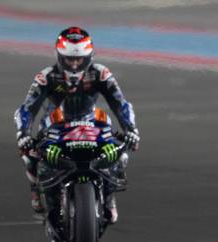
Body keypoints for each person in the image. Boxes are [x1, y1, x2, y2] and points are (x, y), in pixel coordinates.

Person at [14, 27, 140, 223]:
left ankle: (108, 196)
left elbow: (120, 103)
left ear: (89, 56)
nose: (74, 65)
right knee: (30, 157)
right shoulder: (46, 76)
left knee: (120, 152)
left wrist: (131, 129)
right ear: (59, 56)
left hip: (92, 123)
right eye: (69, 59)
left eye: (79, 59)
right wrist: (23, 133)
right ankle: (36, 191)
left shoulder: (101, 73)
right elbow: (27, 108)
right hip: (54, 126)